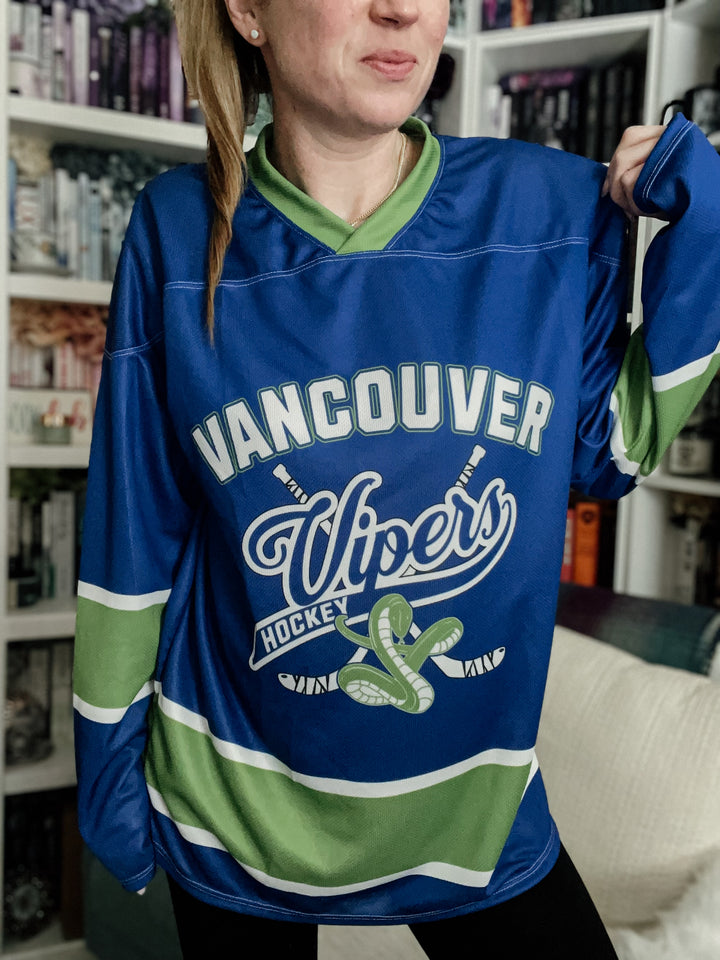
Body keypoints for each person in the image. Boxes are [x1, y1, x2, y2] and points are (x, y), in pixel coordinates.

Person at [72, 0, 720, 957]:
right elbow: (134, 534)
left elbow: (610, 449)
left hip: (473, 812)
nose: (404, 7)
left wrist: (699, 220)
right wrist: (112, 792)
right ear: (248, 12)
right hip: (228, 809)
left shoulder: (544, 208)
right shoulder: (176, 226)